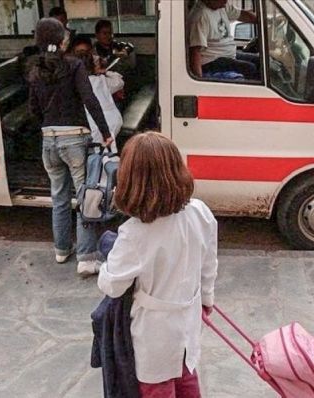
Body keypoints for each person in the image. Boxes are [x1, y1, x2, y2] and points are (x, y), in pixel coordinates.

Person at [97, 132, 218, 397]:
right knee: (186, 377)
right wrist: (207, 299)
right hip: (188, 318)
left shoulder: (135, 233)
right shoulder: (200, 212)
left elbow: (113, 286)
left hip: (153, 333)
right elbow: (209, 264)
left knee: (158, 386)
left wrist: (105, 263)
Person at [27, 18, 113, 276]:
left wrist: (48, 128)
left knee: (59, 197)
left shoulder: (34, 70)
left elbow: (33, 110)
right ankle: (86, 257)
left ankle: (62, 250)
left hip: (49, 140)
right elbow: (90, 99)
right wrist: (106, 132)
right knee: (86, 196)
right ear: (60, 39)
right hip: (75, 138)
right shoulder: (74, 65)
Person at [70, 36, 124, 151]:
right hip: (113, 121)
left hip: (91, 125)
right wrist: (105, 72)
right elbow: (120, 82)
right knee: (107, 151)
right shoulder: (101, 80)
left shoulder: (73, 82)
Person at [188, 0, 258, 80]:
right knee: (250, 68)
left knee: (260, 61)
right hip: (212, 60)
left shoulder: (221, 5)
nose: (226, 1)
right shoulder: (200, 16)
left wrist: (264, 21)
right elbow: (195, 51)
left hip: (228, 54)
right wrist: (198, 80)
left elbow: (243, 15)